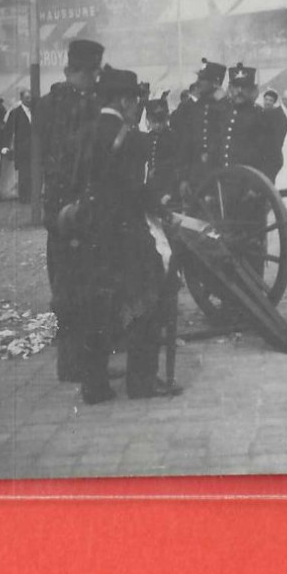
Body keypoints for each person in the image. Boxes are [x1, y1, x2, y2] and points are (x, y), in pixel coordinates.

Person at [66, 67, 181, 404]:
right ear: (124, 100)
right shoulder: (131, 137)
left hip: (91, 231)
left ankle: (94, 385)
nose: (138, 108)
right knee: (148, 299)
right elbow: (134, 189)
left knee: (99, 305)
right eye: (135, 100)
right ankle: (141, 383)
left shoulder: (85, 132)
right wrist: (161, 208)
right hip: (125, 230)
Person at [38, 37, 106, 383]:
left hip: (80, 205)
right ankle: (72, 362)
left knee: (85, 283)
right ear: (71, 71)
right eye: (88, 74)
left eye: (95, 74)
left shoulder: (86, 102)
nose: (93, 80)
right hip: (65, 207)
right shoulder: (55, 106)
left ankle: (85, 359)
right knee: (67, 286)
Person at [5, 89, 34, 203]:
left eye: (30, 97)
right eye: (27, 98)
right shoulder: (15, 113)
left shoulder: (36, 111)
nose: (29, 100)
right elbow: (9, 131)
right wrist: (7, 147)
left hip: (35, 148)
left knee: (34, 173)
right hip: (22, 148)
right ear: (21, 99)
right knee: (24, 174)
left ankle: (33, 196)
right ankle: (24, 197)